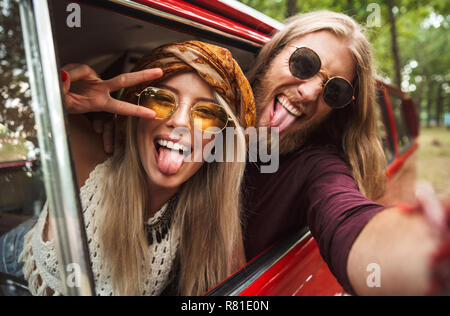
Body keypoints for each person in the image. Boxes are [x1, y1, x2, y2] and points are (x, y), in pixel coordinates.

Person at [0, 41, 256, 296]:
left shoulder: (209, 207)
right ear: (136, 112)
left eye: (206, 114)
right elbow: (13, 109)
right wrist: (55, 97)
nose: (178, 121)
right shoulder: (94, 156)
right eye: (160, 100)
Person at [243, 10, 448, 295]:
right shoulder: (196, 119)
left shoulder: (317, 167)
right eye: (304, 64)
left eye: (334, 91)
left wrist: (431, 253)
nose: (311, 93)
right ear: (272, 54)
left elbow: (347, 217)